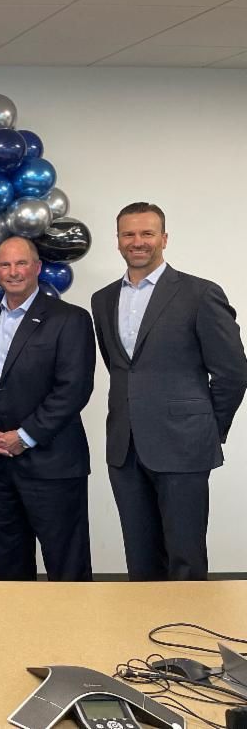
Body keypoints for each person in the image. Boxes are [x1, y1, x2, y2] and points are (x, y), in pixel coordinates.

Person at [92, 202, 247, 581]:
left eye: (147, 233)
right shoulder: (103, 299)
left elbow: (233, 372)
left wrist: (207, 427)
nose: (138, 242)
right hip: (125, 447)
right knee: (141, 560)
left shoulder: (199, 293)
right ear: (117, 241)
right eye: (128, 234)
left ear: (164, 238)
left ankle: (186, 632)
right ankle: (144, 631)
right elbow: (120, 368)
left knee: (185, 557)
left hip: (184, 445)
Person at [0, 236, 96, 582]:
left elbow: (73, 390)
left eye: (21, 263)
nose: (13, 272)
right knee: (9, 566)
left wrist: (25, 436)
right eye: (4, 265)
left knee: (66, 566)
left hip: (53, 466)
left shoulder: (69, 319)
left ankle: (74, 636)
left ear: (38, 268)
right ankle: (17, 634)